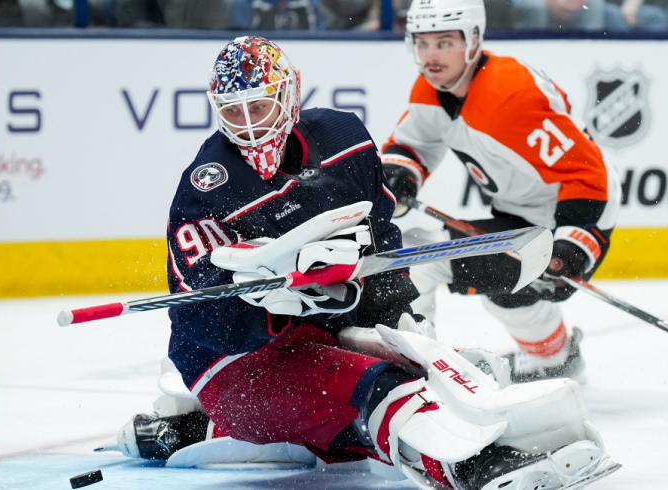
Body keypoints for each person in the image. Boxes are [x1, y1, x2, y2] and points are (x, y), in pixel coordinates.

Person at [97, 36, 619, 490]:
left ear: (290, 92)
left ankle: (190, 430)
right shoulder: (206, 189)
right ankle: (464, 467)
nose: (249, 124)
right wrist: (271, 294)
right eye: (233, 110)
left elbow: (381, 240)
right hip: (240, 365)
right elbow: (204, 311)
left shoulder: (343, 139)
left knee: (444, 372)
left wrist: (393, 316)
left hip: (321, 336)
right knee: (378, 387)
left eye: (260, 105)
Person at [380, 0, 621, 384]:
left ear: (474, 39)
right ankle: (558, 361)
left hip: (570, 218)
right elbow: (414, 143)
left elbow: (587, 174)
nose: (430, 56)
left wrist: (574, 244)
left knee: (417, 258)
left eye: (444, 43)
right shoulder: (431, 88)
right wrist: (400, 173)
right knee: (510, 293)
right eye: (422, 43)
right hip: (515, 214)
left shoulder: (513, 95)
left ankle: (415, 377)